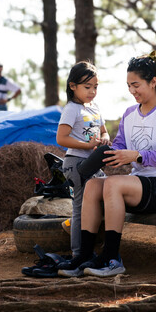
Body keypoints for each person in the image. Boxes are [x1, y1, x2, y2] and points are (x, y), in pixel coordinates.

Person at [57, 50, 156, 278]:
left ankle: (112, 258)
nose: (132, 91)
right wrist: (103, 150)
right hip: (139, 184)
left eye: (136, 85)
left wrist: (136, 156)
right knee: (91, 186)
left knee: (113, 185)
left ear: (153, 82)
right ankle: (85, 256)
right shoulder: (129, 113)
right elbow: (119, 146)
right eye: (129, 85)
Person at [56, 61, 111, 259]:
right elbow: (61, 138)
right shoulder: (72, 109)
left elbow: (104, 131)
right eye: (87, 87)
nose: (92, 91)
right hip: (76, 163)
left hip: (94, 164)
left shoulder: (94, 108)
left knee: (106, 198)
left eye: (95, 87)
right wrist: (87, 145)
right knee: (79, 209)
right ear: (73, 86)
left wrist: (105, 138)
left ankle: (94, 245)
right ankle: (78, 253)